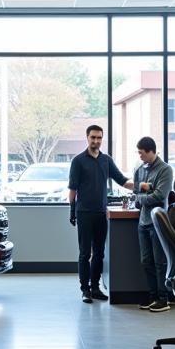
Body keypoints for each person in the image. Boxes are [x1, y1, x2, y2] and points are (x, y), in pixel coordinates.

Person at [68, 125, 133, 304]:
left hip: (100, 213)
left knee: (99, 253)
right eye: (93, 137)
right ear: (87, 137)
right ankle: (85, 290)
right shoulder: (78, 161)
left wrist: (141, 185)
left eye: (99, 138)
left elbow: (122, 180)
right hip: (84, 213)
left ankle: (95, 288)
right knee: (84, 253)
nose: (96, 141)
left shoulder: (106, 160)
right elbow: (72, 189)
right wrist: (72, 210)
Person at [133, 137, 174, 312]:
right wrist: (145, 191)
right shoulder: (140, 169)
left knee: (160, 262)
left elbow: (159, 196)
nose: (140, 156)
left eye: (141, 153)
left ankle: (164, 298)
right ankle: (153, 296)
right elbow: (135, 191)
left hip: (157, 223)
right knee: (146, 261)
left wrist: (144, 193)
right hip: (143, 222)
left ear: (151, 151)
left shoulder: (165, 169)